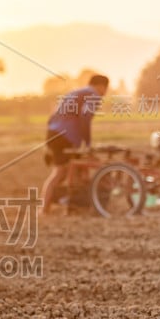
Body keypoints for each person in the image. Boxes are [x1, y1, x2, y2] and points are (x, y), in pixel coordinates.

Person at [41, 74, 110, 214]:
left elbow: (53, 116)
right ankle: (45, 209)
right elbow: (85, 116)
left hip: (54, 133)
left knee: (69, 170)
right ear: (101, 86)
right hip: (66, 136)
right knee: (61, 172)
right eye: (106, 89)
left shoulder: (77, 93)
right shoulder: (93, 95)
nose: (105, 93)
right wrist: (88, 142)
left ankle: (71, 205)